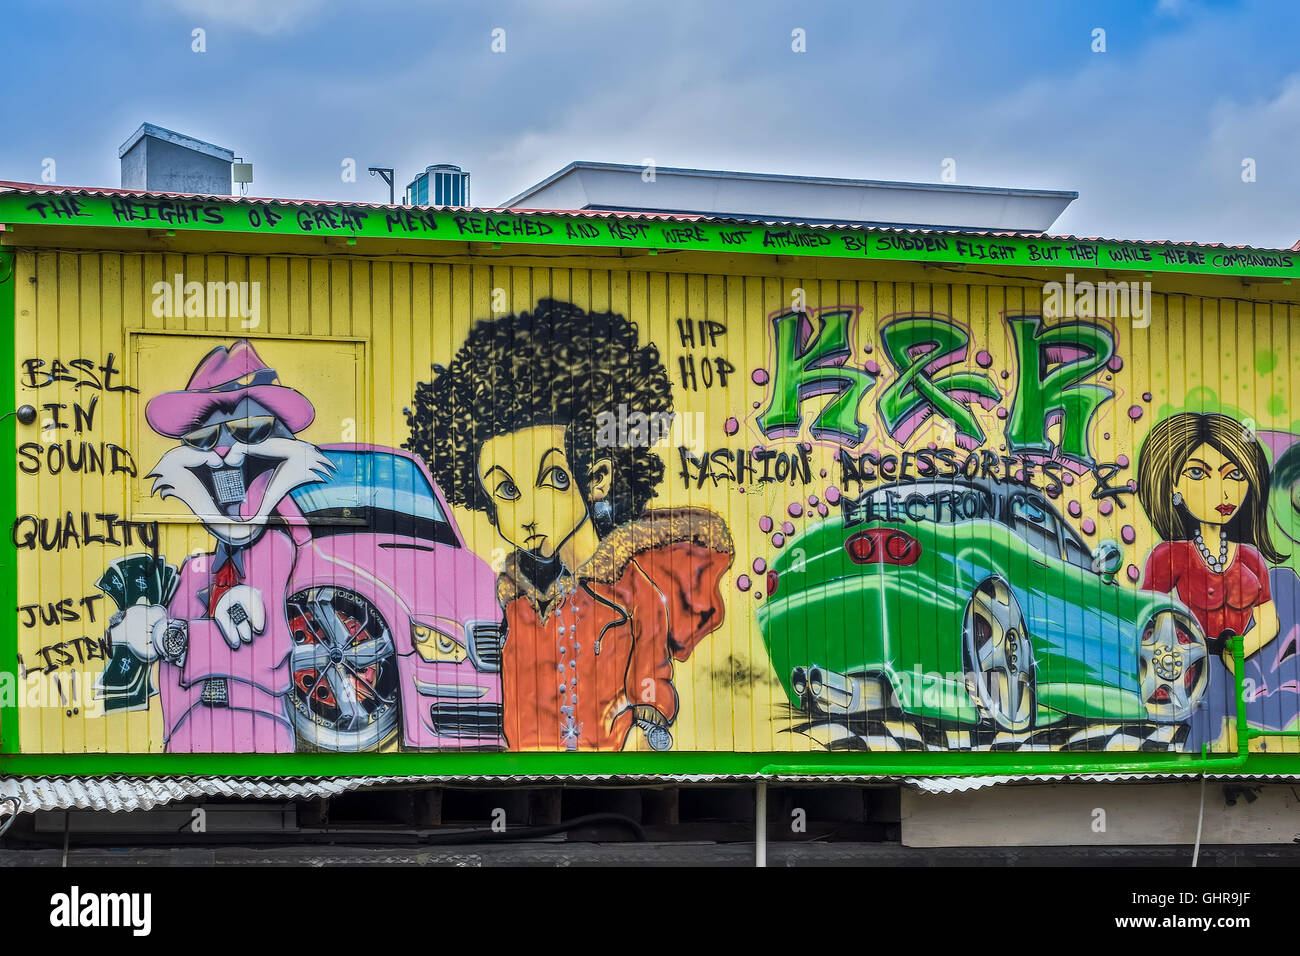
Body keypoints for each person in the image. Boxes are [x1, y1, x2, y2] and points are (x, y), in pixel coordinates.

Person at [405, 299, 734, 751]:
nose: (528, 514)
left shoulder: (630, 589)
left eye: (554, 478)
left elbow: (650, 669)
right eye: (504, 491)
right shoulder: (509, 601)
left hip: (608, 768)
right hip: (524, 770)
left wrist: (649, 723)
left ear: (596, 479)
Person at [1136, 412, 1285, 750]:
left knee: (1240, 740)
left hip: (1239, 669)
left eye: (1234, 474)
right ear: (1172, 485)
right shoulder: (1169, 555)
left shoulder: (1250, 557)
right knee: (1195, 742)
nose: (1223, 490)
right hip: (1187, 672)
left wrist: (1241, 648)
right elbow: (1146, 618)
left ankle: (1231, 781)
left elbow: (1269, 619)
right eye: (1198, 473)